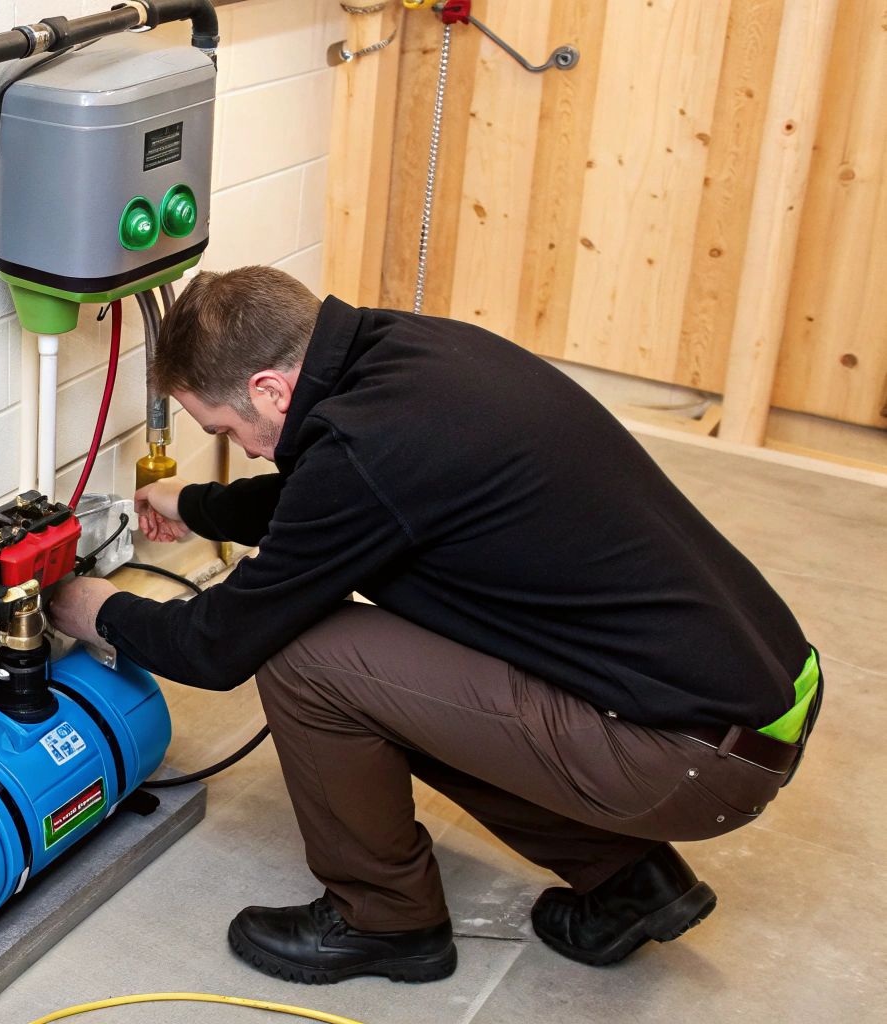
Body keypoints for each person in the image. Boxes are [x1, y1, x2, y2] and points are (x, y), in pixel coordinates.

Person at [47, 266, 821, 985]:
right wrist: (196, 504)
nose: (240, 449)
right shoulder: (407, 357)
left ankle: (385, 922)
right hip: (742, 703)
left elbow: (218, 646)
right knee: (405, 672)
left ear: (273, 390)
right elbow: (328, 499)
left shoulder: (366, 446)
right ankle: (628, 880)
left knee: (308, 657)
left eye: (224, 429)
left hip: (693, 759)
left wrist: (96, 608)